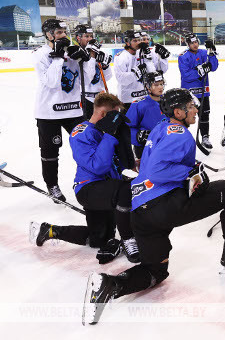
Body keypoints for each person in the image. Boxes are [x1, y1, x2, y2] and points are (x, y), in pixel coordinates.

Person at [82, 88, 225, 325]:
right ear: (178, 112)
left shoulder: (160, 127)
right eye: (191, 106)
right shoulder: (180, 133)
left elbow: (152, 164)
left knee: (156, 271)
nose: (195, 109)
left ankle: (109, 285)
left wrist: (190, 170)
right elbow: (158, 171)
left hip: (141, 212)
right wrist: (188, 171)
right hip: (163, 206)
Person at [29, 92, 140, 264]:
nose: (117, 121)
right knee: (126, 191)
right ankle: (129, 240)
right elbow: (98, 166)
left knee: (99, 239)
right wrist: (110, 136)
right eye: (115, 115)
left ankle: (50, 230)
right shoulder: (81, 132)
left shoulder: (107, 131)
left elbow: (120, 164)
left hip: (108, 187)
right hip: (89, 188)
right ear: (104, 114)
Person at [33, 18, 85, 203]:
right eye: (59, 33)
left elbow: (88, 78)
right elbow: (52, 82)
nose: (63, 36)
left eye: (64, 32)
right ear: (48, 35)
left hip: (74, 111)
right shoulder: (41, 54)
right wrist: (57, 58)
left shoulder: (72, 52)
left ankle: (89, 179)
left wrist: (86, 59)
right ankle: (52, 185)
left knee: (86, 145)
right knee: (50, 151)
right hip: (49, 112)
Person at [177, 33, 218, 149]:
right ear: (188, 44)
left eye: (196, 42)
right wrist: (200, 71)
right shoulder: (183, 56)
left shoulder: (204, 53)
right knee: (186, 115)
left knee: (204, 114)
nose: (194, 45)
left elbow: (213, 67)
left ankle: (205, 136)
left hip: (203, 91)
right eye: (192, 43)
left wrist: (212, 52)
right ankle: (182, 137)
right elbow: (186, 75)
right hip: (189, 93)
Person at [114, 30, 168, 110]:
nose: (138, 43)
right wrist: (136, 73)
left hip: (145, 97)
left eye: (139, 40)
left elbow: (155, 73)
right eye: (135, 41)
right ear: (127, 42)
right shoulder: (121, 57)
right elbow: (121, 80)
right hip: (128, 100)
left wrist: (163, 58)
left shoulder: (144, 53)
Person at [125, 72, 166, 165]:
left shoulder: (169, 102)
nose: (160, 87)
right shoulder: (138, 105)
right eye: (156, 85)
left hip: (165, 145)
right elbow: (127, 128)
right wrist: (138, 136)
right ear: (148, 87)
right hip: (145, 147)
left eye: (161, 84)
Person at [73, 25, 113, 117]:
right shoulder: (76, 55)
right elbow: (86, 81)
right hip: (84, 99)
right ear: (78, 38)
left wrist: (105, 66)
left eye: (91, 36)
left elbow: (107, 78)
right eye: (86, 36)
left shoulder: (99, 53)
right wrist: (92, 56)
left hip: (100, 98)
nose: (90, 39)